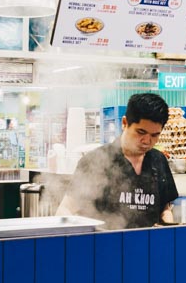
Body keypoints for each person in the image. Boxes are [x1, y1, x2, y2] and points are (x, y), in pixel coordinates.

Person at [71, 93, 178, 229]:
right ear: (125, 123)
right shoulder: (94, 161)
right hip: (106, 246)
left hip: (149, 246)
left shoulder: (159, 160)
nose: (147, 141)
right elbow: (68, 209)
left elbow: (165, 209)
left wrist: (168, 231)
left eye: (154, 135)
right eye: (140, 132)